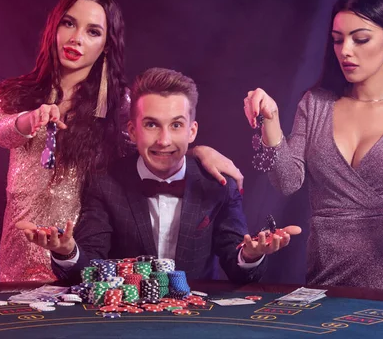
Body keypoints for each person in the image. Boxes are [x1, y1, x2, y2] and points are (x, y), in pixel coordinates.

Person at [0, 0, 244, 282]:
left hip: (79, 251)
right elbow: (2, 133)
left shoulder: (119, 105)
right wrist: (31, 119)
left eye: (92, 32)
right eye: (69, 23)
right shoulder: (19, 93)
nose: (76, 38)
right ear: (54, 27)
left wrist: (196, 151)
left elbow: (152, 145)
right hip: (20, 244)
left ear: (106, 44)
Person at [243, 0, 383, 293]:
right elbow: (287, 181)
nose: (345, 51)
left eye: (360, 39)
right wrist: (270, 121)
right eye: (338, 40)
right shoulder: (314, 104)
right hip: (326, 276)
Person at [19, 67, 301, 284]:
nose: (164, 140)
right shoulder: (105, 183)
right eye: (152, 125)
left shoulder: (218, 184)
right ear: (132, 131)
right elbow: (88, 264)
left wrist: (250, 255)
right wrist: (68, 251)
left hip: (195, 326)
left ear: (192, 131)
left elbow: (237, 262)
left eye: (176, 125)